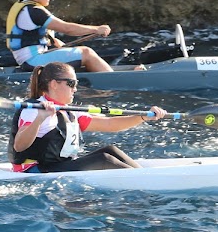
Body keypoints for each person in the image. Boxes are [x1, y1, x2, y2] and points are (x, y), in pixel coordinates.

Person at [9, 62, 167, 172]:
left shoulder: (69, 110)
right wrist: (40, 119)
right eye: (71, 83)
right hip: (35, 170)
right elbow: (19, 146)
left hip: (58, 164)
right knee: (104, 160)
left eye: (76, 83)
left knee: (111, 151)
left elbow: (110, 125)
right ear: (54, 84)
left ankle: (143, 178)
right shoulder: (34, 108)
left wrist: (143, 117)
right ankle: (143, 183)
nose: (75, 89)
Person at [5, 0, 115, 72]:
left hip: (28, 60)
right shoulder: (34, 11)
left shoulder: (22, 6)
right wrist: (97, 29)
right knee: (87, 53)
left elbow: (31, 35)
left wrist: (53, 41)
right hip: (34, 61)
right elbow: (67, 29)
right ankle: (114, 79)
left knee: (74, 53)